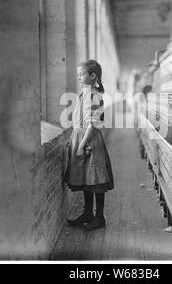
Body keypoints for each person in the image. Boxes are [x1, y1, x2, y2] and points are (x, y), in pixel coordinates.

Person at [63, 59, 114, 230]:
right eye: (77, 75)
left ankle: (99, 217)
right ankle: (87, 213)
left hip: (89, 139)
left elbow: (93, 124)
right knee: (87, 178)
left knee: (96, 180)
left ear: (93, 76)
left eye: (81, 74)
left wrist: (81, 144)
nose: (78, 77)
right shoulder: (83, 94)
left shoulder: (94, 95)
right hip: (81, 136)